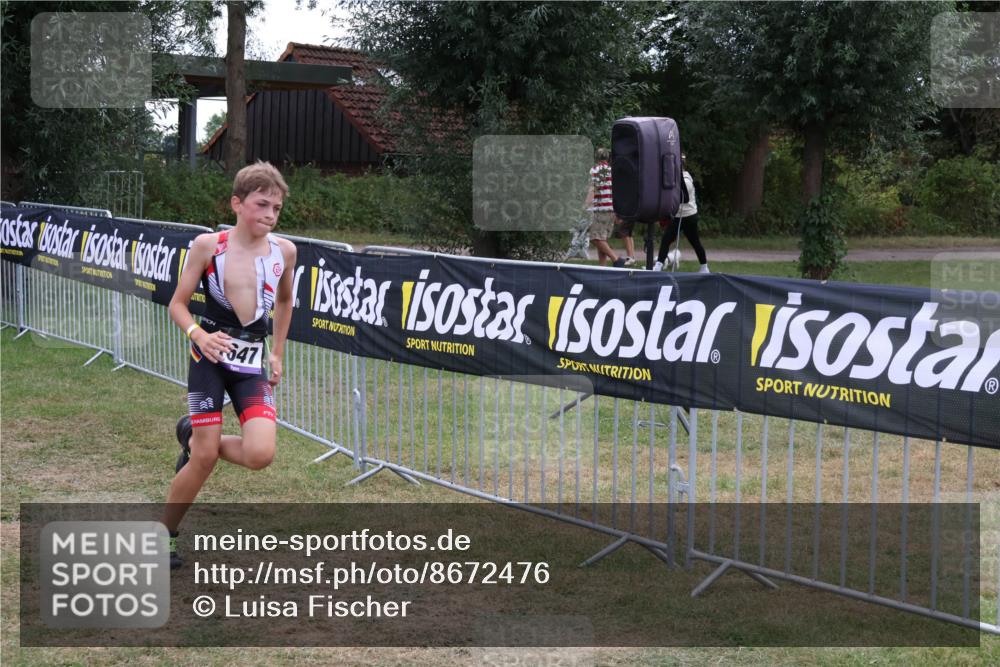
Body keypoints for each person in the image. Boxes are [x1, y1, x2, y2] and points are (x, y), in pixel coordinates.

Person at [163, 161, 297, 568]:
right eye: (261, 205)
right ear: (237, 204)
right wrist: (198, 336)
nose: (270, 215)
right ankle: (164, 535)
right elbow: (177, 304)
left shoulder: (285, 251)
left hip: (251, 362)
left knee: (260, 454)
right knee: (202, 460)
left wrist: (276, 352)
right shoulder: (209, 246)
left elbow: (286, 301)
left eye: (276, 208)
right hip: (210, 358)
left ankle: (192, 435)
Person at [653, 156, 709, 273]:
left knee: (695, 242)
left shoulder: (687, 180)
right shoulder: (674, 179)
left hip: (689, 216)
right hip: (677, 216)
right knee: (666, 240)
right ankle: (659, 265)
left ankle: (704, 267)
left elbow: (682, 199)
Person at [586, 147, 628, 268]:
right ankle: (602, 267)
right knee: (602, 239)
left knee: (594, 238)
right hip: (612, 209)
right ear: (608, 158)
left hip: (600, 209)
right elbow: (618, 191)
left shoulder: (594, 170)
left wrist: (585, 205)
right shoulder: (613, 171)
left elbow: (593, 189)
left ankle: (616, 260)